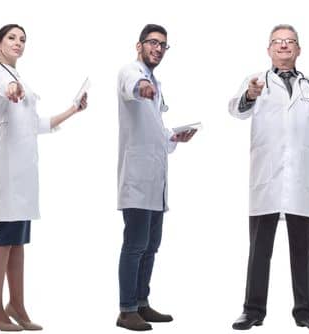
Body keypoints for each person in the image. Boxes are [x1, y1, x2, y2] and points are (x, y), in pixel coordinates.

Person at [225, 24, 309, 332]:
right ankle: (252, 310)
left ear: (299, 50)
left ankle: (306, 311)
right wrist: (249, 94)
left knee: (303, 250)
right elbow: (236, 110)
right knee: (259, 251)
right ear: (269, 49)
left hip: (300, 180)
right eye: (278, 42)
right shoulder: (257, 82)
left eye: (290, 42)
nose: (284, 46)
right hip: (267, 179)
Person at [0, 23, 88, 332]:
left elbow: (35, 123)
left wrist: (73, 110)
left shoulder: (18, 77)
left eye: (23, 39)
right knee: (4, 232)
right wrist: (13, 91)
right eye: (12, 38)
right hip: (9, 165)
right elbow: (6, 88)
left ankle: (17, 304)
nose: (18, 43)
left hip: (26, 167)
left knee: (18, 239)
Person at [115, 23, 195, 332]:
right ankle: (126, 310)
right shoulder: (131, 72)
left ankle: (142, 303)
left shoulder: (156, 81)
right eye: (152, 42)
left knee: (150, 246)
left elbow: (156, 132)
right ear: (139, 45)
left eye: (163, 44)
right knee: (134, 245)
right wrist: (142, 88)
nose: (157, 48)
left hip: (156, 182)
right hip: (136, 180)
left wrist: (176, 136)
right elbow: (133, 87)